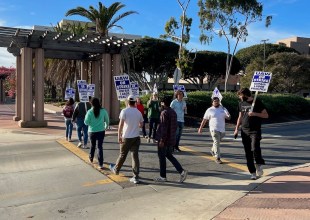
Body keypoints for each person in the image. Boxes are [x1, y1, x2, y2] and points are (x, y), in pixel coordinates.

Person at [233, 88, 269, 180]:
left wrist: (255, 114)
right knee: (248, 152)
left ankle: (258, 164)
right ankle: (252, 173)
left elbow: (266, 115)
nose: (240, 98)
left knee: (255, 148)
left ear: (246, 95)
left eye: (241, 96)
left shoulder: (257, 102)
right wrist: (236, 129)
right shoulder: (241, 103)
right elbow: (240, 117)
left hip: (255, 130)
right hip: (244, 130)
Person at [109, 95, 144, 184]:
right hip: (136, 137)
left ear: (128, 102)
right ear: (135, 102)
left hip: (126, 137)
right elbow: (141, 124)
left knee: (122, 155)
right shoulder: (138, 112)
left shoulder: (124, 111)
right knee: (135, 157)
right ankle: (136, 176)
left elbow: (120, 125)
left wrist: (119, 136)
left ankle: (116, 169)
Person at [154, 96, 188, 183]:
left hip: (164, 139)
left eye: (161, 102)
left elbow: (164, 128)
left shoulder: (164, 112)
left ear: (163, 103)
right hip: (171, 139)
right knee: (169, 155)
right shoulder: (173, 112)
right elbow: (173, 127)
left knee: (162, 157)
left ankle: (163, 176)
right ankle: (181, 171)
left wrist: (162, 140)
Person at [198, 97, 231, 164]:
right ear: (212, 102)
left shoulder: (223, 109)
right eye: (214, 101)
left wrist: (228, 115)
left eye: (217, 101)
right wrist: (200, 128)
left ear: (219, 102)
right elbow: (205, 119)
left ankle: (212, 150)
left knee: (217, 141)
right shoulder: (209, 110)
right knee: (216, 142)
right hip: (213, 129)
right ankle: (217, 157)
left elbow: (229, 118)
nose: (216, 102)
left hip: (222, 129)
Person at [84, 97, 110, 169]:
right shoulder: (103, 111)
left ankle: (91, 158)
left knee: (92, 145)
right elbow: (107, 121)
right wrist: (105, 127)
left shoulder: (89, 112)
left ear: (91, 103)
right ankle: (100, 164)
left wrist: (90, 123)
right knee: (99, 147)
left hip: (92, 131)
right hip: (101, 131)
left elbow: (86, 122)